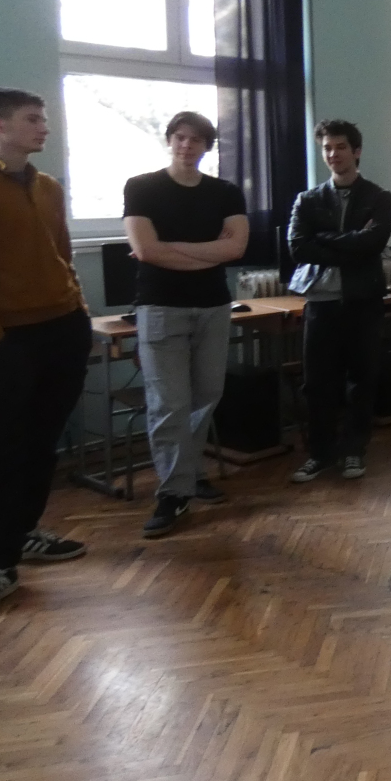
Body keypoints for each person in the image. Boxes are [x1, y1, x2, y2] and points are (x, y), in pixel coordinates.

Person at [0, 89, 91, 623]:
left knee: (42, 445)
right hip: (12, 341)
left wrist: (79, 312)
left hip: (65, 328)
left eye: (44, 118)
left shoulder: (48, 186)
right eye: (32, 119)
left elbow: (63, 256)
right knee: (4, 452)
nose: (44, 127)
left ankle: (27, 532)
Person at [122, 112, 249, 538]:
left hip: (213, 306)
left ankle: (190, 473)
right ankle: (173, 493)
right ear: (169, 140)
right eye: (179, 137)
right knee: (169, 403)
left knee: (206, 395)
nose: (186, 146)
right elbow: (146, 251)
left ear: (206, 146)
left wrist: (171, 247)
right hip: (161, 307)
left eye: (195, 140)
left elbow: (236, 248)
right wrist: (207, 252)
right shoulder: (142, 188)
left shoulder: (225, 193)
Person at [286, 119, 391, 482]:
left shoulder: (379, 198)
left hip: (363, 301)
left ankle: (353, 452)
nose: (333, 154)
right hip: (321, 302)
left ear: (356, 151)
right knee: (317, 383)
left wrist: (324, 239)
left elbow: (372, 243)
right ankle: (320, 454)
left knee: (361, 380)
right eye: (327, 148)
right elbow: (298, 248)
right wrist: (349, 242)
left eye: (341, 147)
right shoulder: (307, 200)